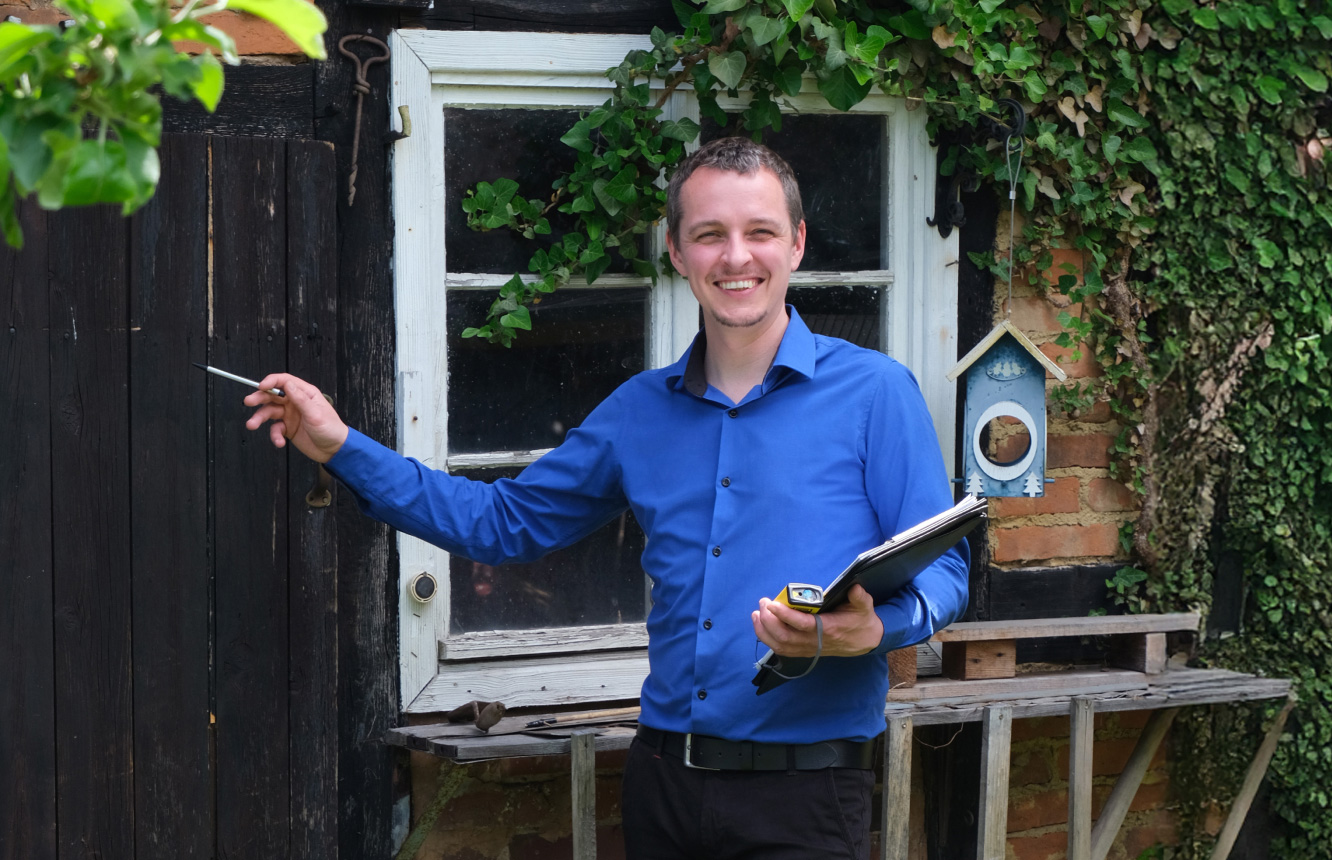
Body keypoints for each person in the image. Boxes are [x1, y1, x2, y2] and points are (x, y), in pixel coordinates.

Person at [245, 136, 969, 860]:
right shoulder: (638, 412)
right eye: (709, 234)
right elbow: (502, 524)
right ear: (677, 251)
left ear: (797, 243)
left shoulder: (876, 393)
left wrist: (873, 632)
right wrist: (343, 446)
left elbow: (944, 574)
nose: (736, 257)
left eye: (760, 232)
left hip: (807, 797)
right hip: (662, 785)